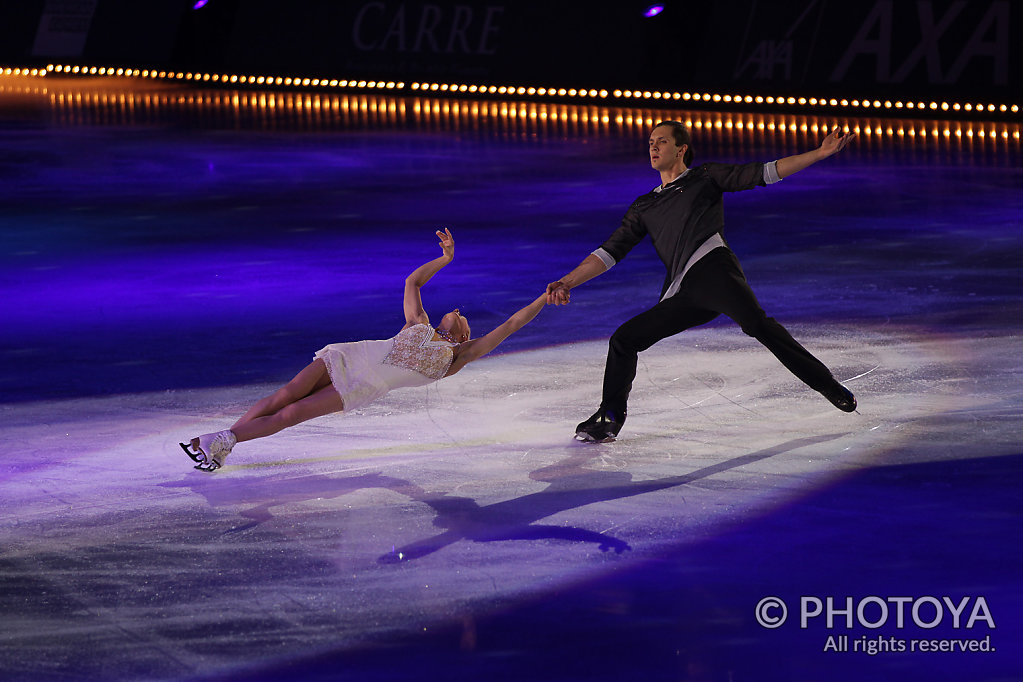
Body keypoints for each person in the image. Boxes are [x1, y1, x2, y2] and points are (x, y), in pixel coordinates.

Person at [546, 121, 858, 442]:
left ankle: (827, 385)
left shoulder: (704, 178)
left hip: (716, 274)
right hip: (684, 293)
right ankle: (609, 416)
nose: (653, 147)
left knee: (758, 326)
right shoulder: (644, 206)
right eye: (651, 141)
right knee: (624, 340)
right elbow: (610, 251)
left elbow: (763, 173)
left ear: (681, 150)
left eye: (662, 142)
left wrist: (820, 153)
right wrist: (568, 281)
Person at [181, 229, 547, 471]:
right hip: (351, 356)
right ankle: (221, 442)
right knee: (285, 395)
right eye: (455, 311)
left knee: (291, 413)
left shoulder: (457, 357)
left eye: (463, 316)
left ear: (465, 334)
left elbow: (512, 323)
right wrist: (447, 259)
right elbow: (412, 280)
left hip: (365, 386)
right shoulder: (417, 321)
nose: (457, 312)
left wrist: (544, 298)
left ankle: (220, 442)